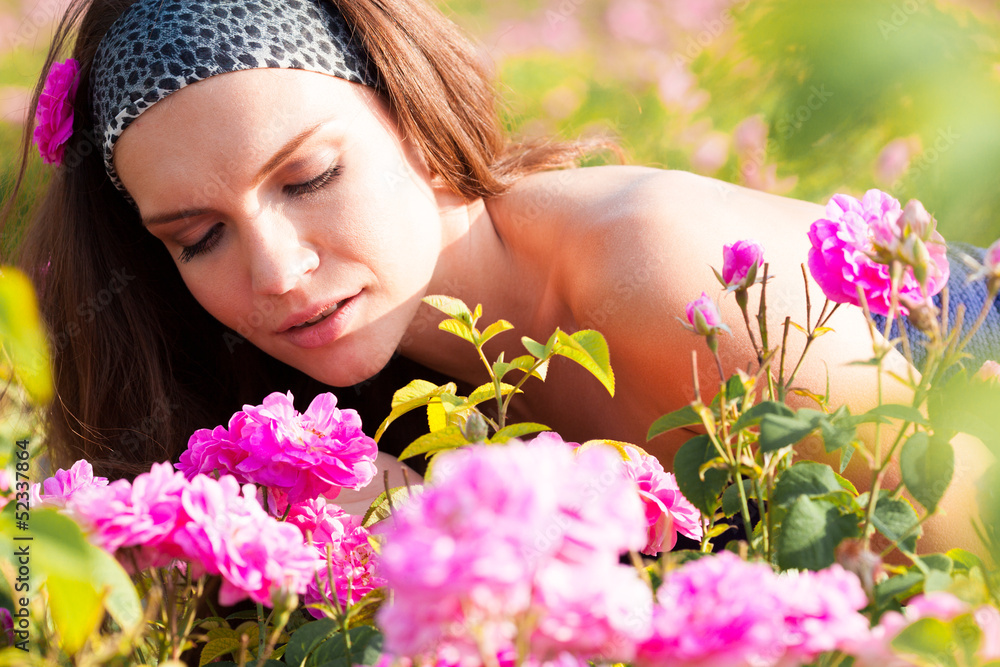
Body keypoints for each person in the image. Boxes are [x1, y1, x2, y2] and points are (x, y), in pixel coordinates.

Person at [2, 0, 996, 553]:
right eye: (197, 237)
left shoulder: (651, 269)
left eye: (310, 177)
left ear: (418, 119)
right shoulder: (327, 402)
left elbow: (962, 550)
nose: (277, 271)